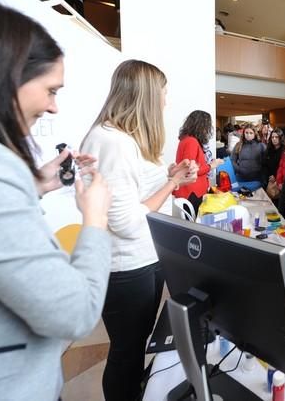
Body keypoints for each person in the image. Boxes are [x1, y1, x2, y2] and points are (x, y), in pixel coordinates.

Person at [0, 0, 111, 400]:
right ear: (7, 77)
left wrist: (37, 184)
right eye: (51, 90)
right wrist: (95, 219)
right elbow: (74, 312)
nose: (54, 106)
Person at [81, 59, 197, 401]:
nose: (166, 101)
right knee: (127, 353)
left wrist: (170, 173)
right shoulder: (112, 142)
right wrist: (174, 182)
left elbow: (136, 183)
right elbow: (129, 222)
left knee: (135, 348)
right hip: (125, 267)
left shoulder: (123, 140)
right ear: (146, 96)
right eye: (163, 93)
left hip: (142, 262)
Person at [173, 110, 213, 217]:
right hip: (192, 192)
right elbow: (189, 169)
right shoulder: (191, 141)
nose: (207, 130)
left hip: (189, 191)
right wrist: (211, 166)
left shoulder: (186, 140)